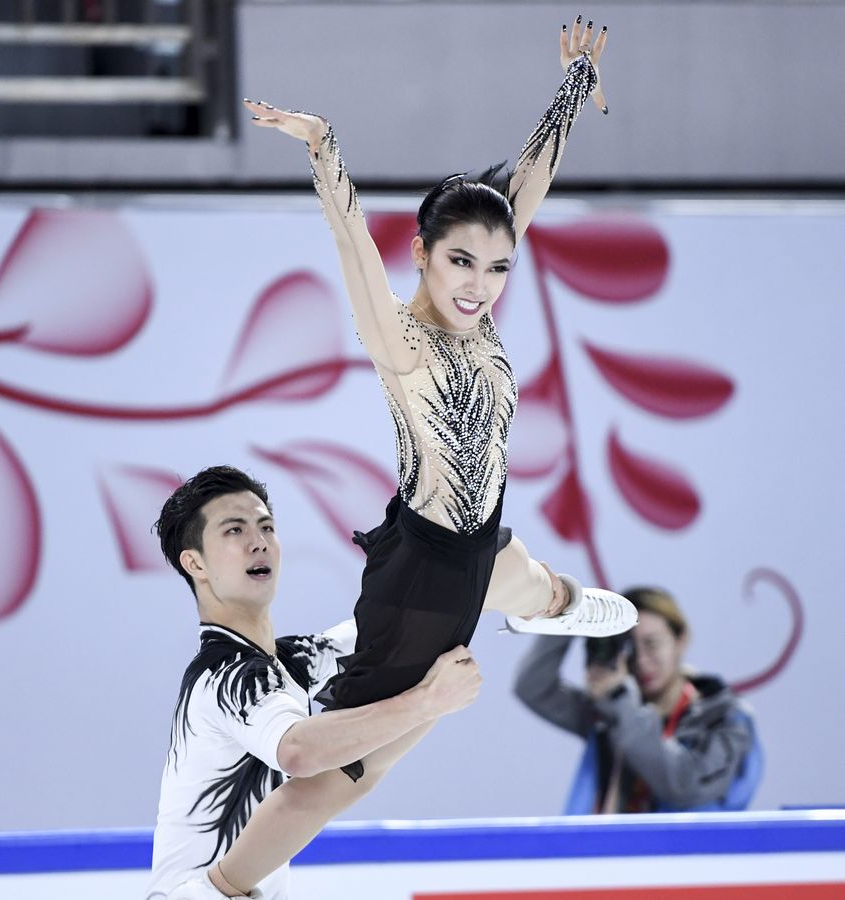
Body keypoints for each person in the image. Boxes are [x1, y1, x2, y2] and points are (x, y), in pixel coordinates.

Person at [172, 15, 638, 899]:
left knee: (531, 585)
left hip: (480, 547)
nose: (480, 284)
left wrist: (577, 84)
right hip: (423, 580)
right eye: (461, 262)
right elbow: (352, 244)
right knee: (347, 776)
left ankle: (553, 603)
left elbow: (526, 183)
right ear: (421, 254)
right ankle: (219, 887)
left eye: (497, 268)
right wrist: (325, 150)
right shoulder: (401, 341)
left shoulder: (480, 301)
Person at [148, 465, 483, 899]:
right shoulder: (226, 675)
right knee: (341, 779)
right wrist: (426, 702)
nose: (258, 541)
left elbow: (401, 630)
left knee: (353, 774)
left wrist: (536, 596)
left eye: (266, 526)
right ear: (195, 563)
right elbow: (299, 752)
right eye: (235, 530)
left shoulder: (291, 663)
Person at [514, 587, 763, 814]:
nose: (642, 660)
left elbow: (685, 786)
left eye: (651, 644)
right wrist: (566, 613)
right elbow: (533, 688)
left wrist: (620, 700)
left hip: (684, 851)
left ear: (681, 640)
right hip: (603, 848)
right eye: (630, 648)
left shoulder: (726, 717)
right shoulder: (610, 711)